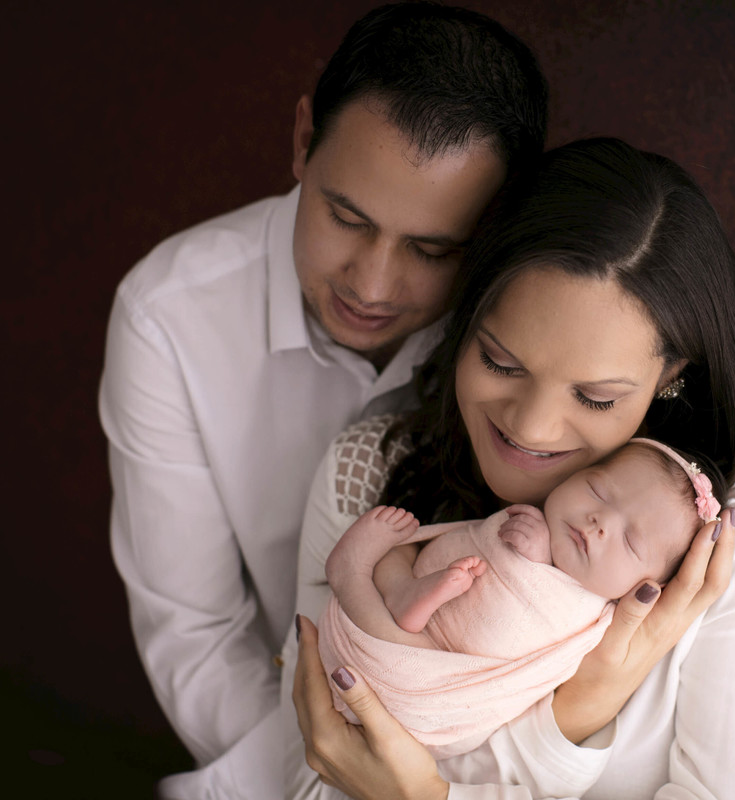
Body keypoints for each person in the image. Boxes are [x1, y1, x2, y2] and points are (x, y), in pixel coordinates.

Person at [283, 138, 735, 799]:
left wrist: (427, 795)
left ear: (669, 378)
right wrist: (574, 712)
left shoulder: (727, 531)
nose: (531, 428)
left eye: (596, 397)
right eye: (501, 364)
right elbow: (312, 780)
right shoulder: (370, 471)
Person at [97, 4, 547, 796]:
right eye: (347, 217)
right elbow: (196, 635)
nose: (373, 286)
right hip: (285, 744)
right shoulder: (168, 317)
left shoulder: (541, 343)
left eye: (432, 249)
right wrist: (333, 782)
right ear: (303, 140)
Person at [316, 438, 724, 759]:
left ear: (649, 587)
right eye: (597, 491)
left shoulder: (590, 617)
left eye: (631, 541)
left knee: (408, 648)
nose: (600, 522)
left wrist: (535, 564)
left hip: (427, 700)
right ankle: (404, 593)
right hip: (374, 642)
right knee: (400, 556)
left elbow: (535, 654)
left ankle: (351, 575)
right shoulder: (532, 515)